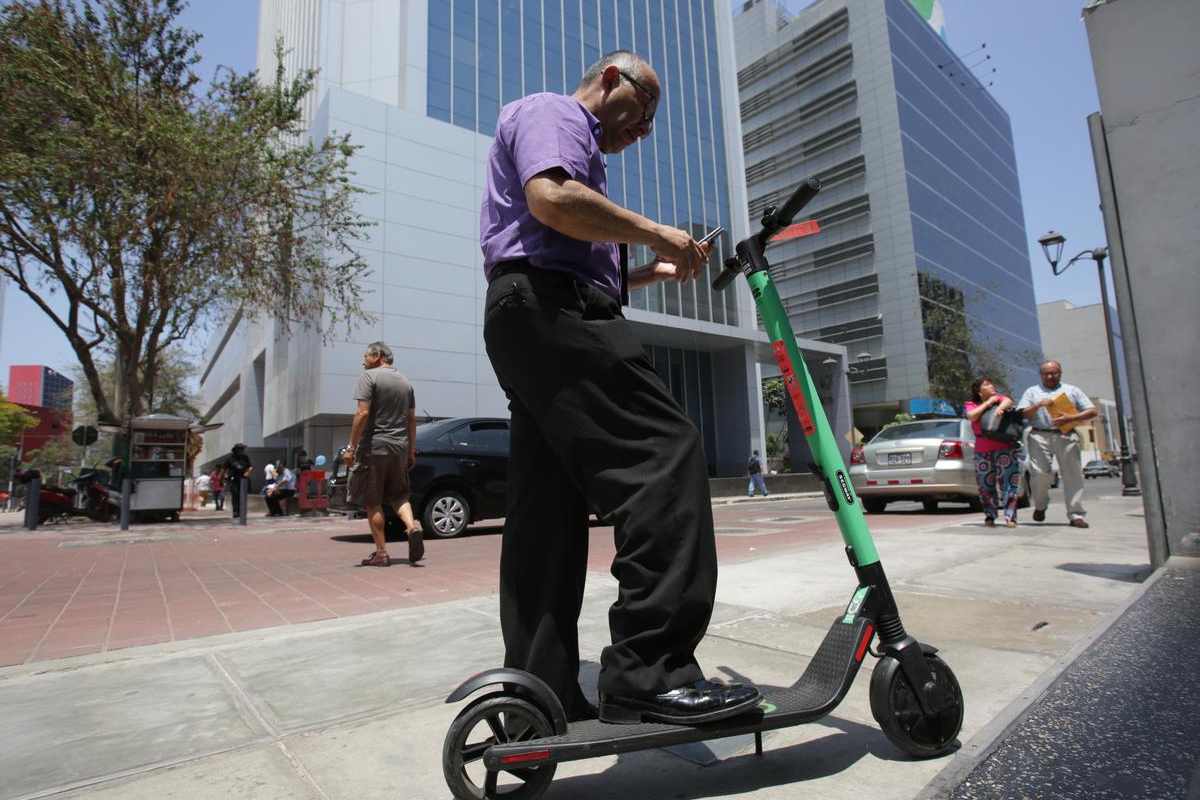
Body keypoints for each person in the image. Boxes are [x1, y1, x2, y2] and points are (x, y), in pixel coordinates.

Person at [479, 50, 761, 726]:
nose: (645, 131)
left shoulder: (582, 157)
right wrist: (656, 230)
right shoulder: (555, 112)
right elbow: (551, 200)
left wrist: (647, 275)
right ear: (612, 80)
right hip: (552, 312)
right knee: (665, 455)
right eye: (644, 113)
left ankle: (537, 692)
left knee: (546, 511)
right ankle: (650, 670)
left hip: (528, 312)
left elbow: (554, 243)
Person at [344, 341, 423, 567]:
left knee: (372, 500)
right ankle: (412, 527)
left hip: (374, 446)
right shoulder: (406, 382)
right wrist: (410, 452)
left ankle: (381, 553)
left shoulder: (369, 377)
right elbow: (410, 421)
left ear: (377, 355)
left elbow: (362, 413)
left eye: (365, 357)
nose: (363, 362)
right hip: (398, 447)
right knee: (399, 495)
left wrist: (351, 447)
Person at [1017, 360, 1098, 528]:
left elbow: (1092, 410)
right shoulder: (1032, 392)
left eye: (1053, 373)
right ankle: (1040, 506)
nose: (1049, 376)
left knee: (1072, 476)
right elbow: (1022, 413)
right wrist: (1039, 404)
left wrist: (1072, 418)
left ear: (1059, 373)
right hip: (1040, 435)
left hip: (1066, 435)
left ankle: (1076, 514)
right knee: (1039, 474)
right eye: (1046, 373)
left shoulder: (1072, 390)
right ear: (1041, 375)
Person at [965, 377, 1021, 528]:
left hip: (1004, 447)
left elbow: (1008, 401)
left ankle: (1011, 517)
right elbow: (972, 416)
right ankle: (990, 515)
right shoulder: (971, 404)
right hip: (982, 450)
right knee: (985, 485)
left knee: (1009, 483)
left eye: (992, 383)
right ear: (979, 391)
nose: (992, 386)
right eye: (987, 385)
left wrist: (1000, 406)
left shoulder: (999, 398)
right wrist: (988, 403)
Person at [222, 444, 253, 518]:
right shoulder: (230, 458)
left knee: (242, 495)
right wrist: (225, 474)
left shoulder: (245, 458)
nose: (241, 451)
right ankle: (236, 511)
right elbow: (224, 468)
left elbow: (250, 467)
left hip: (243, 479)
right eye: (239, 449)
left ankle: (242, 511)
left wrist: (248, 472)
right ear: (235, 450)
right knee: (235, 494)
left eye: (242, 449)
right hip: (233, 479)